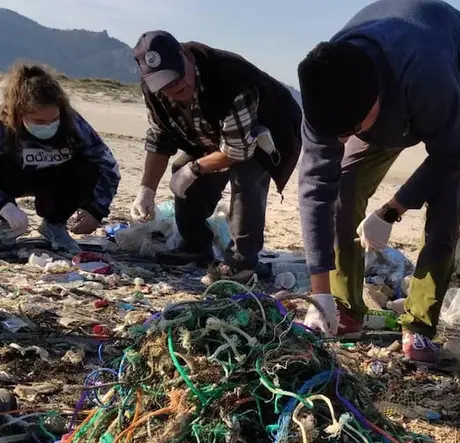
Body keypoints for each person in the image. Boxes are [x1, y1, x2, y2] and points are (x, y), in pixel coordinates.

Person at [296, 0, 460, 362]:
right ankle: (343, 307)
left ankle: (420, 324)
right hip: (385, 92)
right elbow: (314, 192)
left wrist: (390, 210)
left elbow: (450, 156)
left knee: (446, 202)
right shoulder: (325, 91)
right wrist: (318, 292)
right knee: (343, 188)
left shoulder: (427, 75)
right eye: (335, 134)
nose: (342, 140)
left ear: (378, 100)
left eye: (351, 130)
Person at [129, 31, 302, 285]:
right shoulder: (154, 89)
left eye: (177, 78)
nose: (175, 88)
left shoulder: (230, 79)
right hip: (211, 132)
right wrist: (147, 190)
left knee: (247, 177)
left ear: (186, 56)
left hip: (268, 130)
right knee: (180, 165)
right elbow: (160, 136)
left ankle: (241, 263)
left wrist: (194, 170)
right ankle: (195, 246)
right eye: (165, 85)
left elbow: (237, 151)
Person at [0, 63, 120, 254]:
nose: (47, 125)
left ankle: (54, 225)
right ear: (18, 112)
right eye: (39, 121)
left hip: (54, 178)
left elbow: (108, 166)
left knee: (88, 167)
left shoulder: (72, 122)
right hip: (12, 177)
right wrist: (4, 206)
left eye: (53, 119)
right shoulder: (3, 124)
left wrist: (97, 209)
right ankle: (5, 226)